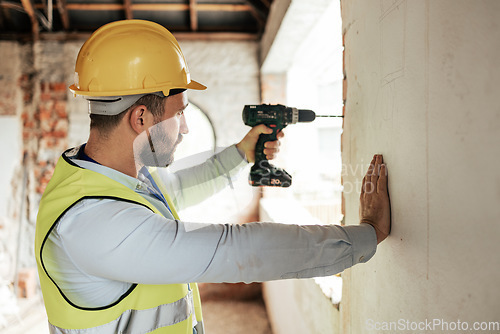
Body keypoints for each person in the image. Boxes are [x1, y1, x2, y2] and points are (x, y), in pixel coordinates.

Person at [35, 19, 391, 334]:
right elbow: (237, 250)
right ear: (140, 118)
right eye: (180, 114)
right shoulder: (95, 223)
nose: (186, 129)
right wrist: (366, 236)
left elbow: (181, 186)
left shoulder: (110, 177)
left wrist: (242, 153)